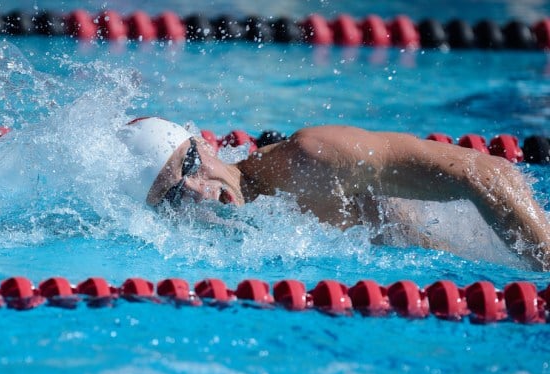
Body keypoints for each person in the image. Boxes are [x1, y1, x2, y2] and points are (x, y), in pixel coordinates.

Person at [117, 117, 550, 271]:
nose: (195, 191)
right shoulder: (206, 255)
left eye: (190, 167)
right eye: (174, 196)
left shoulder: (312, 160)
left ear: (205, 146)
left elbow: (489, 174)